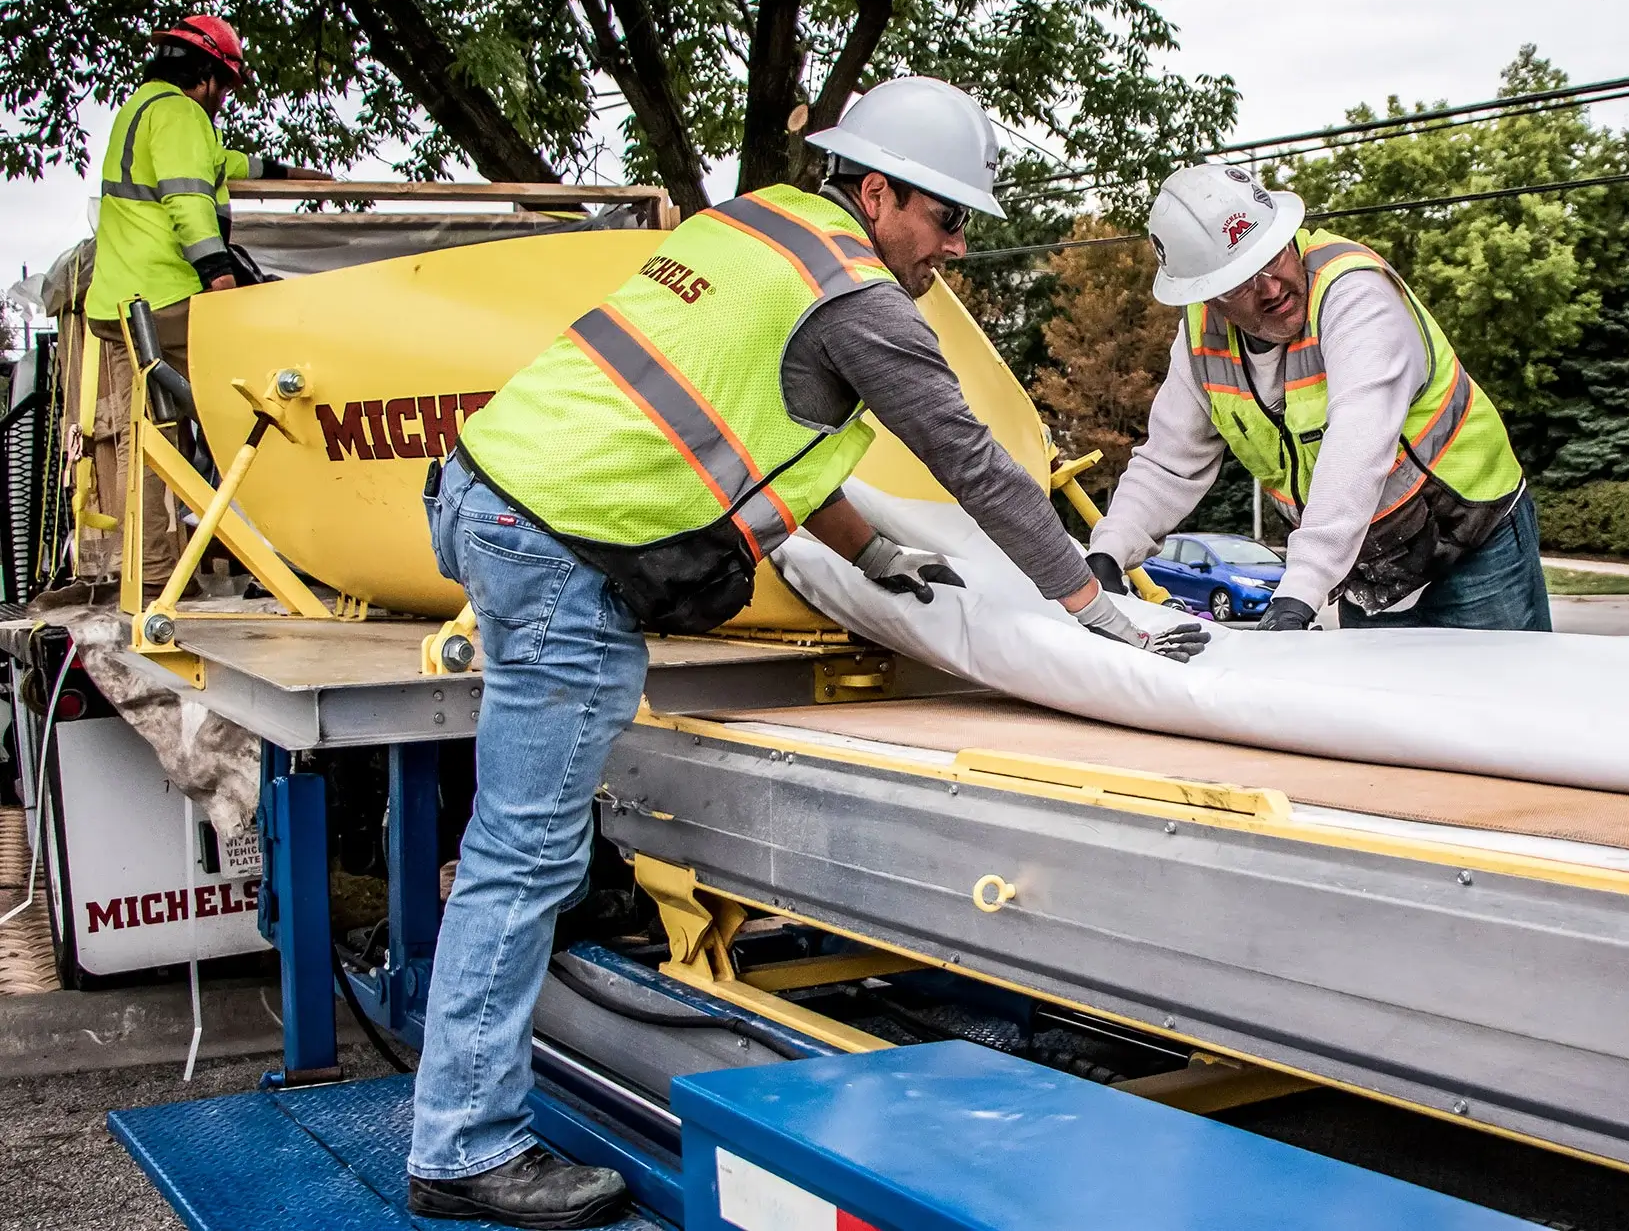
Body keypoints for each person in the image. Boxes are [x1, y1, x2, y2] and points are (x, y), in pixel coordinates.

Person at [406, 76, 1207, 1228]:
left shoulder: (753, 227)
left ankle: (464, 1115)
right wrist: (1090, 605)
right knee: (523, 859)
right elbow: (977, 466)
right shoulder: (863, 300)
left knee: (522, 849)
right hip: (564, 550)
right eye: (944, 217)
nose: (958, 245)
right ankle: (464, 1149)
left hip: (485, 490)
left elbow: (749, 423)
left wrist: (873, 554)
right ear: (877, 193)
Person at [1088, 163, 1547, 633]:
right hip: (1367, 568)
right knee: (1373, 707)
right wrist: (1111, 548)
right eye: (1241, 281)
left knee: (1505, 700)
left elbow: (1357, 441)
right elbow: (1169, 462)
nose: (1270, 288)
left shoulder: (1355, 294)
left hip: (1472, 544)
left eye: (1273, 257)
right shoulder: (1201, 340)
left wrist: (1301, 589)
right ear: (1208, 296)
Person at [80, 15, 333, 589]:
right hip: (168, 299)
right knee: (269, 404)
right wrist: (218, 273)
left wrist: (288, 172)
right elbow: (189, 198)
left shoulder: (141, 109)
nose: (223, 102)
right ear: (210, 77)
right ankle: (292, 551)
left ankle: (146, 572)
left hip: (123, 303)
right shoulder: (181, 114)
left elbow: (220, 165)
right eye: (226, 88)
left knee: (139, 440)